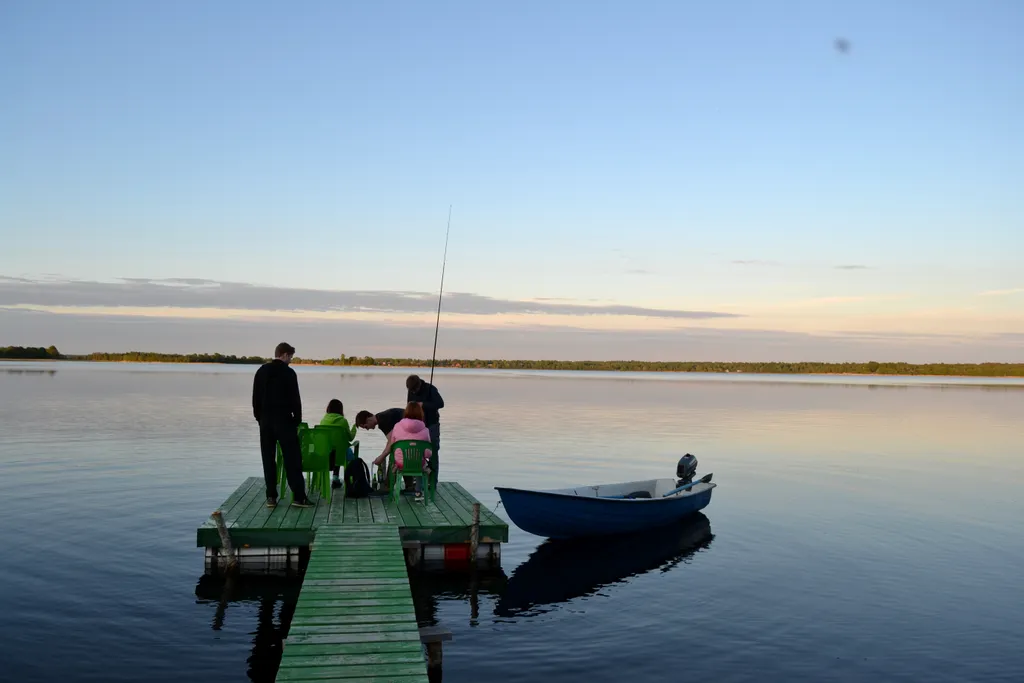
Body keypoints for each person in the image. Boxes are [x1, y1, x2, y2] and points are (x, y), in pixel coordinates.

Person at [252, 342, 312, 508]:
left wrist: (259, 418)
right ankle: (298, 497)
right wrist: (297, 420)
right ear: (285, 355)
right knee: (292, 459)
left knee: (268, 458)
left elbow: (255, 398)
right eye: (290, 357)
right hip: (284, 421)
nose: (290, 360)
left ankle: (271, 497)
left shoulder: (261, 371)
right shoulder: (289, 373)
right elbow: (295, 399)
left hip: (265, 421)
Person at [371, 402, 433, 500]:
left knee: (396, 458)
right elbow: (428, 453)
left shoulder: (397, 426)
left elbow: (392, 445)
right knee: (422, 463)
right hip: (418, 464)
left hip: (401, 464)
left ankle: (388, 487)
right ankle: (416, 491)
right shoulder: (425, 430)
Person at [406, 374, 443, 479]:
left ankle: (433, 482)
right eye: (411, 391)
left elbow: (440, 404)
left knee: (433, 454)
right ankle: (419, 482)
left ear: (419, 385)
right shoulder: (411, 390)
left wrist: (423, 405)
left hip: (432, 425)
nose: (413, 392)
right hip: (417, 427)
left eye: (414, 390)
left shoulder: (431, 389)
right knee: (417, 454)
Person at [355, 407, 405, 483]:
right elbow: (391, 440)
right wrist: (383, 455)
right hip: (415, 438)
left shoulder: (383, 421)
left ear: (368, 419)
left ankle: (389, 484)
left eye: (366, 426)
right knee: (398, 452)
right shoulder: (382, 416)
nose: (367, 429)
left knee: (395, 455)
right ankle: (408, 484)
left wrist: (381, 457)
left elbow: (392, 442)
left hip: (410, 440)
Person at [319, 399, 357, 489]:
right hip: (340, 454)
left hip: (326, 454)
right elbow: (350, 438)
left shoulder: (323, 421)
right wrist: (354, 428)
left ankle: (335, 478)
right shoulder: (343, 421)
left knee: (334, 449)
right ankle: (350, 479)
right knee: (344, 451)